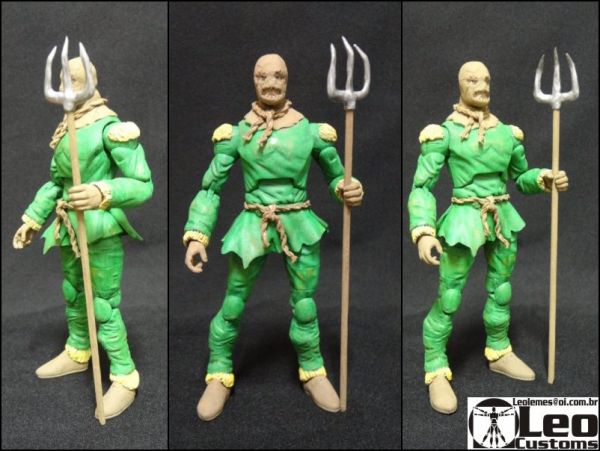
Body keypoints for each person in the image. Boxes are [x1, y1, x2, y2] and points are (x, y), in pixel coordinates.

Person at [184, 54, 364, 421]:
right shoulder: (236, 134)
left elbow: (337, 176)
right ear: (253, 80)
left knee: (305, 304)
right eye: (262, 76)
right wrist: (197, 235)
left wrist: (348, 188)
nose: (270, 83)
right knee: (234, 302)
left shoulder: (310, 132)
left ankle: (312, 368)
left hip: (299, 223)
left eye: (278, 76)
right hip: (253, 224)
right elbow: (210, 188)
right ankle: (219, 369)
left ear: (287, 79)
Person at [407, 61, 568, 414]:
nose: (481, 86)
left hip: (501, 218)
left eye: (486, 80)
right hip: (463, 221)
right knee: (449, 295)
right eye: (472, 80)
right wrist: (423, 231)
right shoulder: (443, 134)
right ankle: (435, 365)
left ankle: (498, 349)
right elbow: (422, 187)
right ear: (459, 85)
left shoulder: (507, 134)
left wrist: (541, 178)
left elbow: (520, 177)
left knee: (501, 289)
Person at [13, 57, 153, 419]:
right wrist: (33, 218)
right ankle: (78, 351)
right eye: (63, 80)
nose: (67, 87)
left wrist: (100, 191)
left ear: (92, 80)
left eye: (74, 80)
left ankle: (124, 376)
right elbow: (56, 184)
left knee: (103, 305)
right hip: (68, 227)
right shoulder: (67, 128)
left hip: (99, 229)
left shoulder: (112, 128)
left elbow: (142, 184)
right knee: (73, 293)